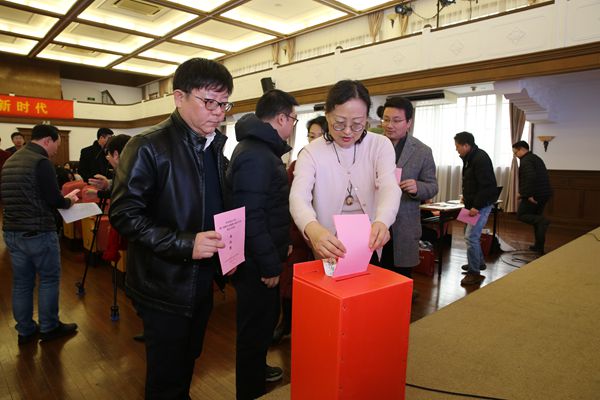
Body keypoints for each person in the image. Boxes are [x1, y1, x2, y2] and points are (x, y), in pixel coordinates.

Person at [109, 58, 234, 399]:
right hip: (163, 283)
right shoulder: (148, 145)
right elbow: (124, 215)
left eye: (224, 104)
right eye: (209, 102)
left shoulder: (213, 145)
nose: (218, 113)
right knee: (165, 373)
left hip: (201, 278)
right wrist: (185, 244)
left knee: (188, 358)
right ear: (179, 97)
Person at [226, 89, 298, 399]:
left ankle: (257, 373)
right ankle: (250, 390)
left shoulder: (259, 149)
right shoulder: (257, 155)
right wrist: (270, 264)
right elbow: (251, 216)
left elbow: (270, 209)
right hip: (256, 262)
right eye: (293, 119)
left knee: (261, 325)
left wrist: (283, 245)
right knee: (254, 331)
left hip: (261, 255)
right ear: (281, 118)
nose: (293, 125)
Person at [290, 79, 401, 262]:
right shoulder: (311, 152)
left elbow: (389, 186)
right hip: (328, 242)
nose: (348, 131)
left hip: (369, 241)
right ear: (327, 116)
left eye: (357, 124)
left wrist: (383, 220)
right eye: (339, 123)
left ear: (366, 119)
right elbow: (298, 197)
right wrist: (312, 228)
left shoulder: (380, 145)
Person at [1, 124, 79, 345]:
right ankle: (49, 326)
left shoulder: (10, 161)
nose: (56, 150)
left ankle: (25, 330)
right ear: (47, 140)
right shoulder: (41, 162)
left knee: (22, 283)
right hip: (38, 232)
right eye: (56, 145)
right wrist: (69, 200)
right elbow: (54, 200)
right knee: (48, 279)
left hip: (12, 231)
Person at [272, 115, 327, 345]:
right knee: (290, 282)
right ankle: (286, 323)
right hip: (298, 232)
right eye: (310, 136)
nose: (313, 141)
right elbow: (287, 200)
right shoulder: (298, 163)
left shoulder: (335, 164)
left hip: (325, 233)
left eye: (319, 136)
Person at [378, 96, 438, 278]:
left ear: (409, 123)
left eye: (396, 120)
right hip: (374, 222)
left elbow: (432, 186)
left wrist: (417, 187)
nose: (389, 125)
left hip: (403, 226)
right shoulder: (372, 145)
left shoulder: (422, 151)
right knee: (373, 276)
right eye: (386, 119)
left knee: (400, 278)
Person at [454, 131, 498, 286]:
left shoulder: (480, 158)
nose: (456, 149)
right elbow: (471, 181)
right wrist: (466, 197)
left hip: (480, 204)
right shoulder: (470, 158)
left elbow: (486, 186)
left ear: (466, 145)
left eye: (457, 146)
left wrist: (476, 206)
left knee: (471, 236)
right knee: (467, 233)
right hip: (471, 203)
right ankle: (478, 262)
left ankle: (474, 273)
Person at [512, 140, 552, 254]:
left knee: (522, 215)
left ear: (521, 149)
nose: (515, 155)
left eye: (515, 152)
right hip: (543, 193)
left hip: (535, 195)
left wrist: (526, 194)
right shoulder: (535, 158)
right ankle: (538, 247)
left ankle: (544, 221)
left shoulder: (526, 160)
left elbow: (531, 178)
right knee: (536, 220)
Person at [85, 134, 131, 199]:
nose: (108, 159)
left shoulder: (129, 175)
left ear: (115, 155)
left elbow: (122, 195)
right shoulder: (133, 171)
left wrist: (99, 193)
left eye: (108, 155)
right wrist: (107, 184)